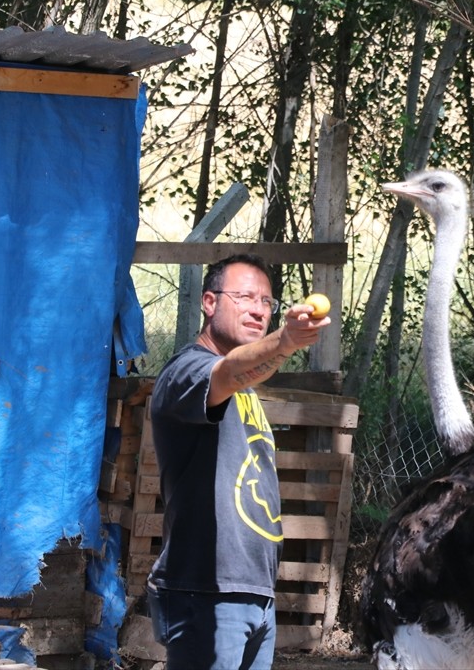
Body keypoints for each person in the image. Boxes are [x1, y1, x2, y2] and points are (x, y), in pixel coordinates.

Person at [146, 253, 331, 669]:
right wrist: (285, 342)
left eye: (267, 302)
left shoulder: (246, 393)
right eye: (245, 297)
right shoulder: (186, 372)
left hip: (254, 594)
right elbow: (228, 371)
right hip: (205, 591)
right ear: (209, 302)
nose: (259, 310)